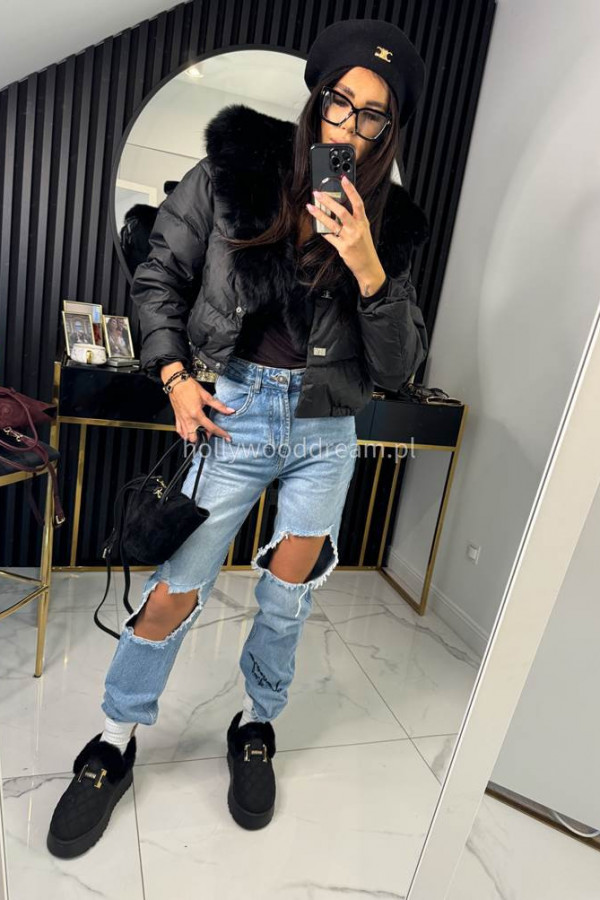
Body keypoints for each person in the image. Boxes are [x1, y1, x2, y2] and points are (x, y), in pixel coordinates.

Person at [47, 18, 430, 857]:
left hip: (328, 429)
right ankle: (115, 738)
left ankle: (256, 724)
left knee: (289, 598)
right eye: (341, 101)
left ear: (389, 128)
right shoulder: (235, 167)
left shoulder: (393, 223)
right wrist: (175, 375)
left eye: (374, 114)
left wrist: (369, 265)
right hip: (236, 411)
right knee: (178, 584)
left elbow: (400, 367)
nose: (351, 126)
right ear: (318, 98)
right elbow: (160, 271)